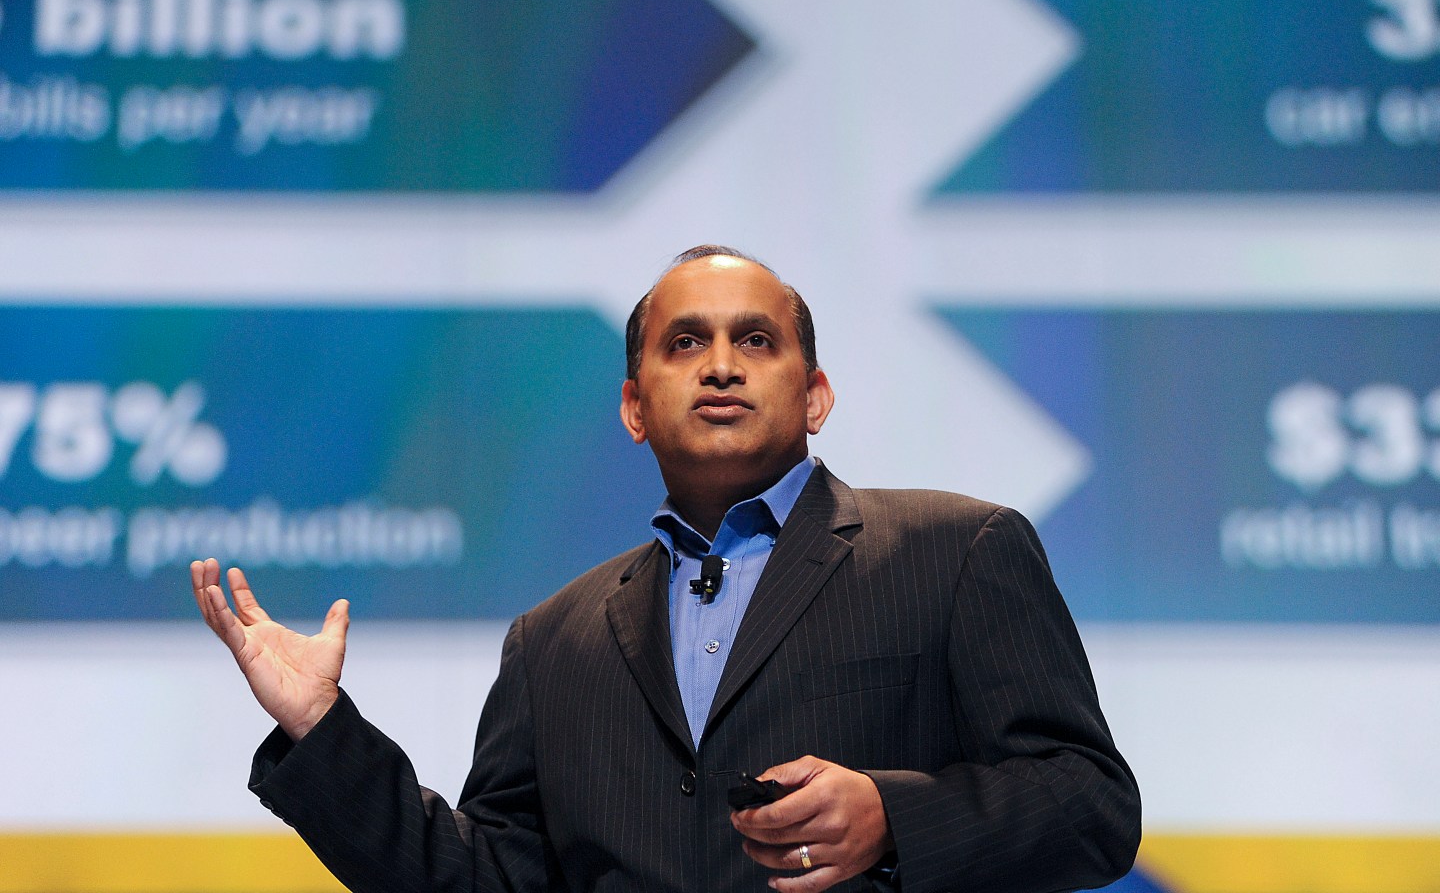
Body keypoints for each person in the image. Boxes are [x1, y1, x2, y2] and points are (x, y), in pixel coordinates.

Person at [193, 246, 1140, 893]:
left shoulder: (956, 550)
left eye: (755, 340)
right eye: (685, 343)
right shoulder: (551, 642)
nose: (721, 366)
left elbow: (1091, 805)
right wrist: (321, 730)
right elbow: (488, 880)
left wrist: (892, 817)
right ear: (634, 408)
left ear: (815, 396)